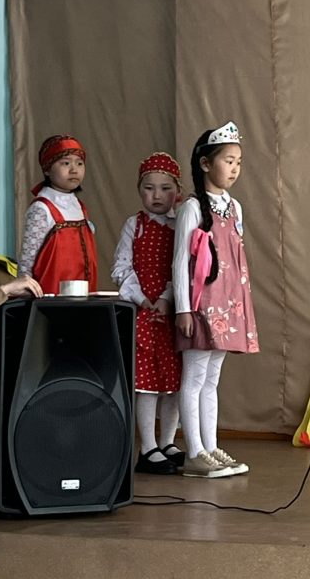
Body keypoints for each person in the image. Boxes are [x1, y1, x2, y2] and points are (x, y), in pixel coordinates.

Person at [172, 122, 258, 478]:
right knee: (194, 377)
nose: (234, 169)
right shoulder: (192, 208)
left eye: (238, 162)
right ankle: (194, 451)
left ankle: (211, 446)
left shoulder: (234, 207)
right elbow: (180, 262)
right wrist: (183, 308)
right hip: (201, 307)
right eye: (227, 161)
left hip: (228, 306)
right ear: (206, 164)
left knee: (212, 379)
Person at [112, 153, 186, 475]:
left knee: (174, 381)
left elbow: (182, 266)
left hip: (173, 313)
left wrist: (168, 298)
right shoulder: (135, 225)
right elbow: (121, 267)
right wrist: (143, 299)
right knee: (147, 382)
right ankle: (148, 447)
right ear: (139, 189)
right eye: (149, 188)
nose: (157, 195)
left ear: (177, 191)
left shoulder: (181, 224)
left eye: (165, 188)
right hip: (145, 313)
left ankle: (167, 442)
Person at [18, 135, 98, 294]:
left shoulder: (80, 207)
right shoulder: (42, 208)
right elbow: (27, 259)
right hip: (50, 297)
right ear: (47, 169)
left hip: (84, 295)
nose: (74, 170)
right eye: (66, 163)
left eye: (79, 163)